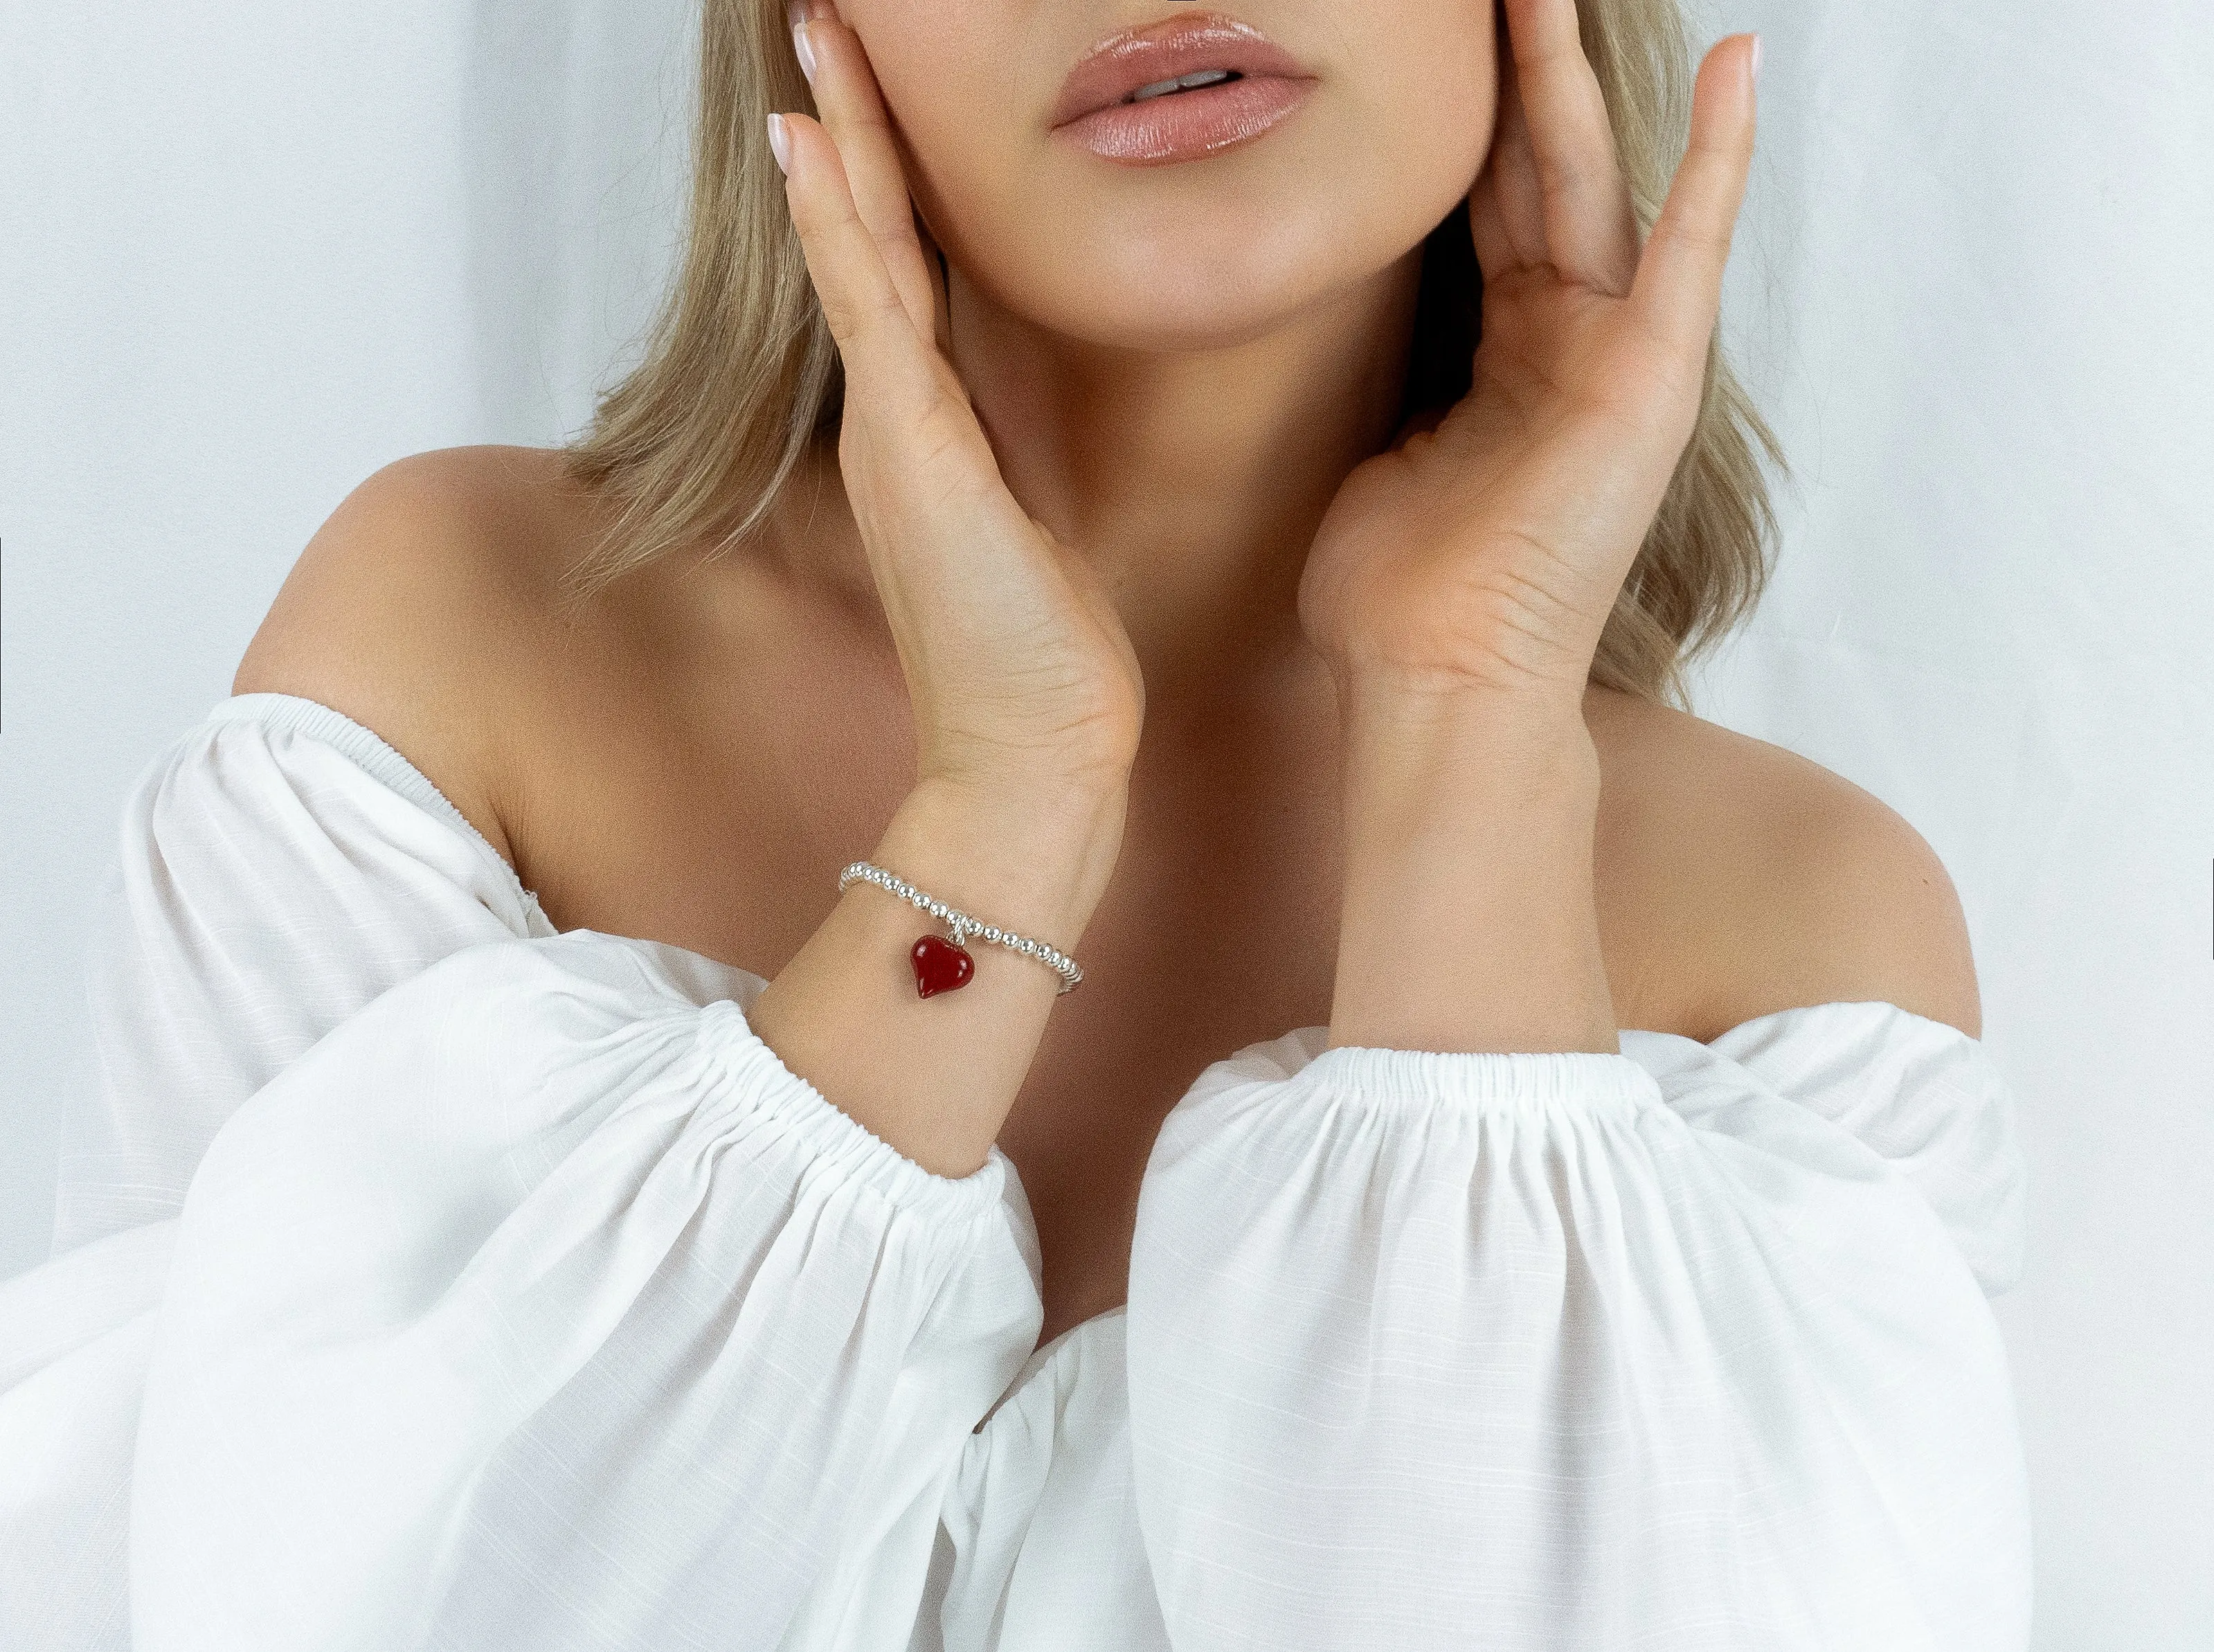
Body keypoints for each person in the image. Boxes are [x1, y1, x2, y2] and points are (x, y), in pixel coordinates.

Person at [0, 0, 2032, 1646]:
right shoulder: (472, 643)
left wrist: (1475, 702)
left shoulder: (1796, 934)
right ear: (804, 31)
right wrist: (1005, 802)